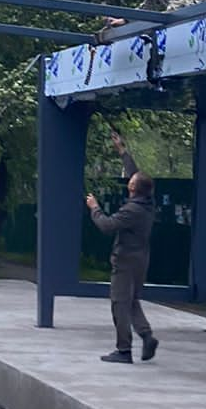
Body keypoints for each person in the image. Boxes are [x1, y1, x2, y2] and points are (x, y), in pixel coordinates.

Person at [85, 125, 158, 364]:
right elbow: (135, 173)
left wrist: (94, 208)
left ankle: (124, 350)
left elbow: (106, 226)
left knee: (119, 303)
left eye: (132, 181)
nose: (130, 180)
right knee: (133, 299)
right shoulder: (148, 202)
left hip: (125, 259)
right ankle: (146, 335)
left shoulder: (131, 210)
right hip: (142, 259)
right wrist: (122, 151)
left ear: (133, 188)